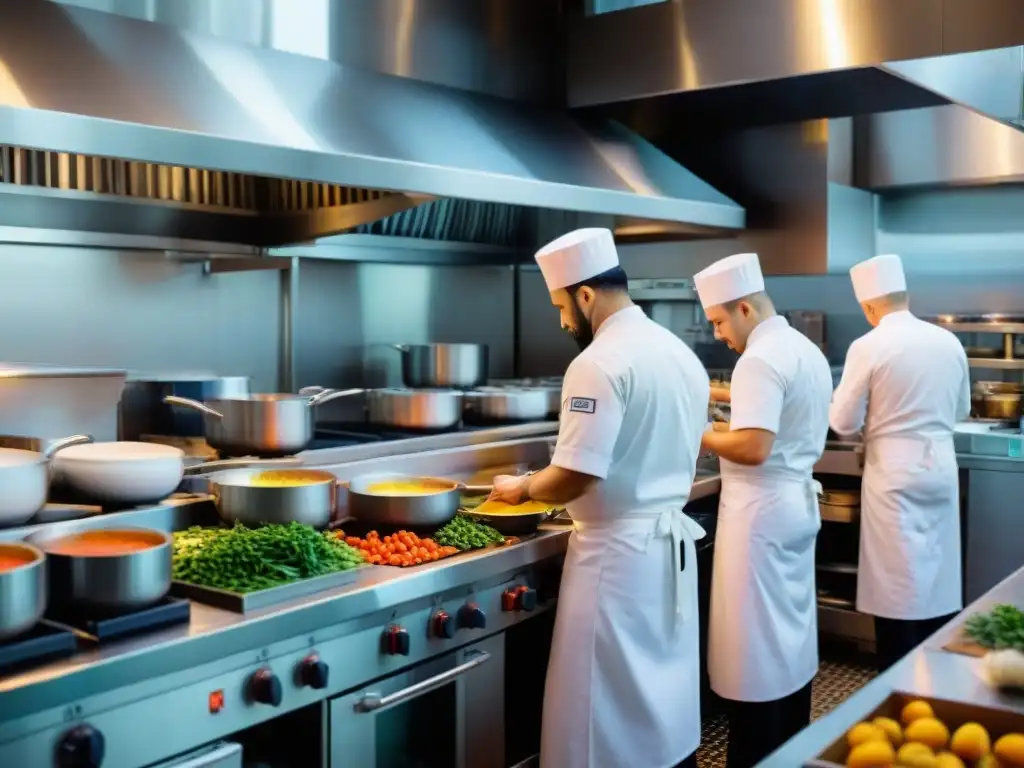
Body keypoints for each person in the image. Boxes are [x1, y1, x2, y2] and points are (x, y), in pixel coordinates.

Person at [488, 228, 710, 768]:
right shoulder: (678, 352)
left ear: (585, 295)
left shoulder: (598, 361)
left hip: (614, 563)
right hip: (665, 553)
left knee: (598, 715)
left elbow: (575, 477)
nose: (563, 321)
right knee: (658, 708)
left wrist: (521, 488)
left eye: (561, 306)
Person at [694, 252, 832, 768]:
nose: (718, 333)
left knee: (754, 654)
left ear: (745, 309)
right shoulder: (799, 347)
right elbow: (768, 416)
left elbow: (753, 445)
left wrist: (696, 433)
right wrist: (710, 395)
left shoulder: (757, 359)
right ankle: (790, 751)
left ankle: (754, 757)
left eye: (719, 321)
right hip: (792, 508)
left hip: (760, 518)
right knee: (787, 646)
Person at [829, 253, 970, 672]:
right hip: (940, 464)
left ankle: (898, 678)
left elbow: (843, 421)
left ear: (869, 305)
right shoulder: (948, 340)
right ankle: (941, 674)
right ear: (904, 296)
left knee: (895, 582)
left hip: (893, 469)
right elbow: (961, 409)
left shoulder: (868, 345)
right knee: (937, 577)